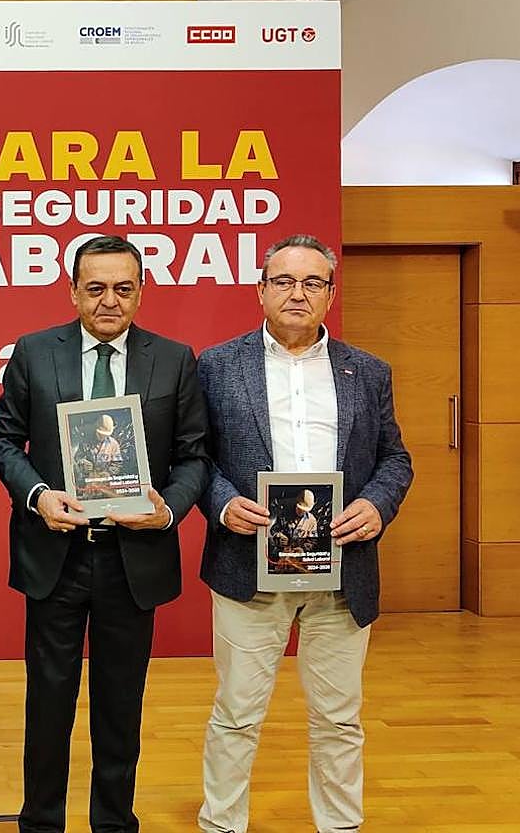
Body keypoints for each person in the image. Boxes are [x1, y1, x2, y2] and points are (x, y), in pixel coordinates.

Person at [0, 235, 209, 833]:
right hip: (55, 554)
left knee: (120, 706)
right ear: (72, 291)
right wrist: (37, 496)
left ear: (141, 292)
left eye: (123, 288)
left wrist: (167, 511)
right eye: (96, 288)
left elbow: (194, 457)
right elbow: (4, 442)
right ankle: (41, 823)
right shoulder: (35, 353)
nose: (109, 300)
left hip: (132, 559)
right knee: (48, 704)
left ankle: (114, 822)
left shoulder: (174, 359)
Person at [196, 234, 413, 833]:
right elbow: (193, 458)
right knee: (236, 714)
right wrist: (220, 503)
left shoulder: (367, 371)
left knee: (340, 719)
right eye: (285, 281)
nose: (298, 293)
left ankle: (340, 825)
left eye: (312, 282)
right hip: (248, 568)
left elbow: (396, 459)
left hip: (342, 571)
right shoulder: (215, 365)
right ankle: (221, 823)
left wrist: (375, 504)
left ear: (330, 294)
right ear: (260, 290)